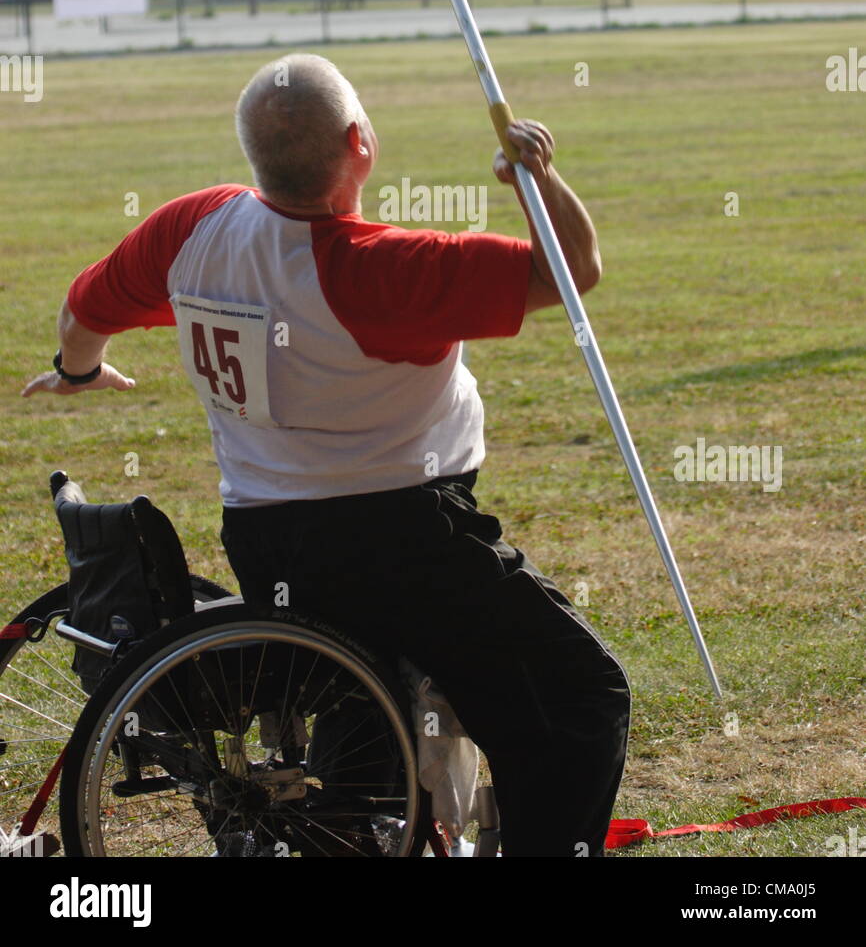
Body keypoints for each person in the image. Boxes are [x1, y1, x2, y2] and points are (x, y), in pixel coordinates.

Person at [23, 52, 630, 857]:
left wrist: (79, 370)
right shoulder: (380, 268)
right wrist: (536, 179)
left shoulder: (192, 226)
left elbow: (84, 306)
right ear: (361, 142)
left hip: (266, 537)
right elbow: (575, 268)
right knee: (583, 693)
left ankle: (360, 819)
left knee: (364, 684)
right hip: (404, 541)